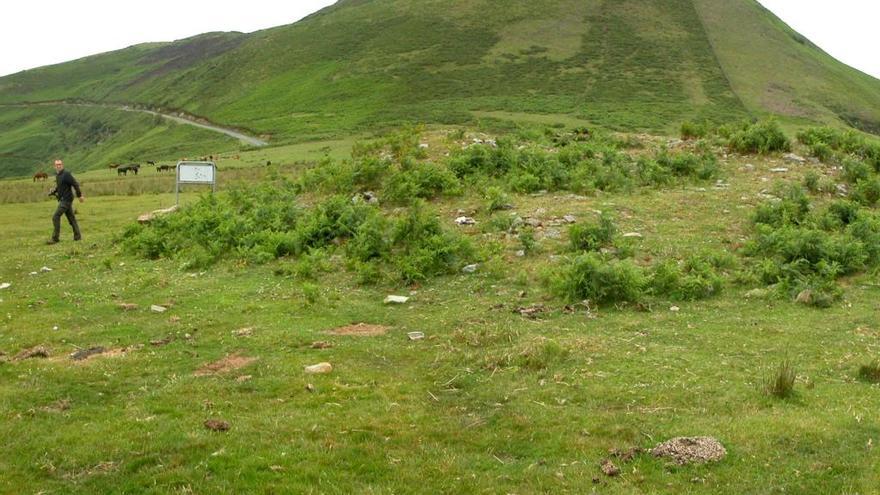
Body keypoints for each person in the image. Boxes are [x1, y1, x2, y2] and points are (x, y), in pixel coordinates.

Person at [47, 159, 84, 244]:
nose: (58, 166)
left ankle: (55, 238)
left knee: (55, 217)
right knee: (72, 218)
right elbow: (60, 187)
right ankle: (77, 237)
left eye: (60, 164)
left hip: (66, 200)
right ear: (54, 166)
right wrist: (54, 191)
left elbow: (75, 184)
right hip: (63, 199)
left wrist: (80, 195)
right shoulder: (58, 175)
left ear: (62, 165)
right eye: (57, 165)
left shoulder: (66, 174)